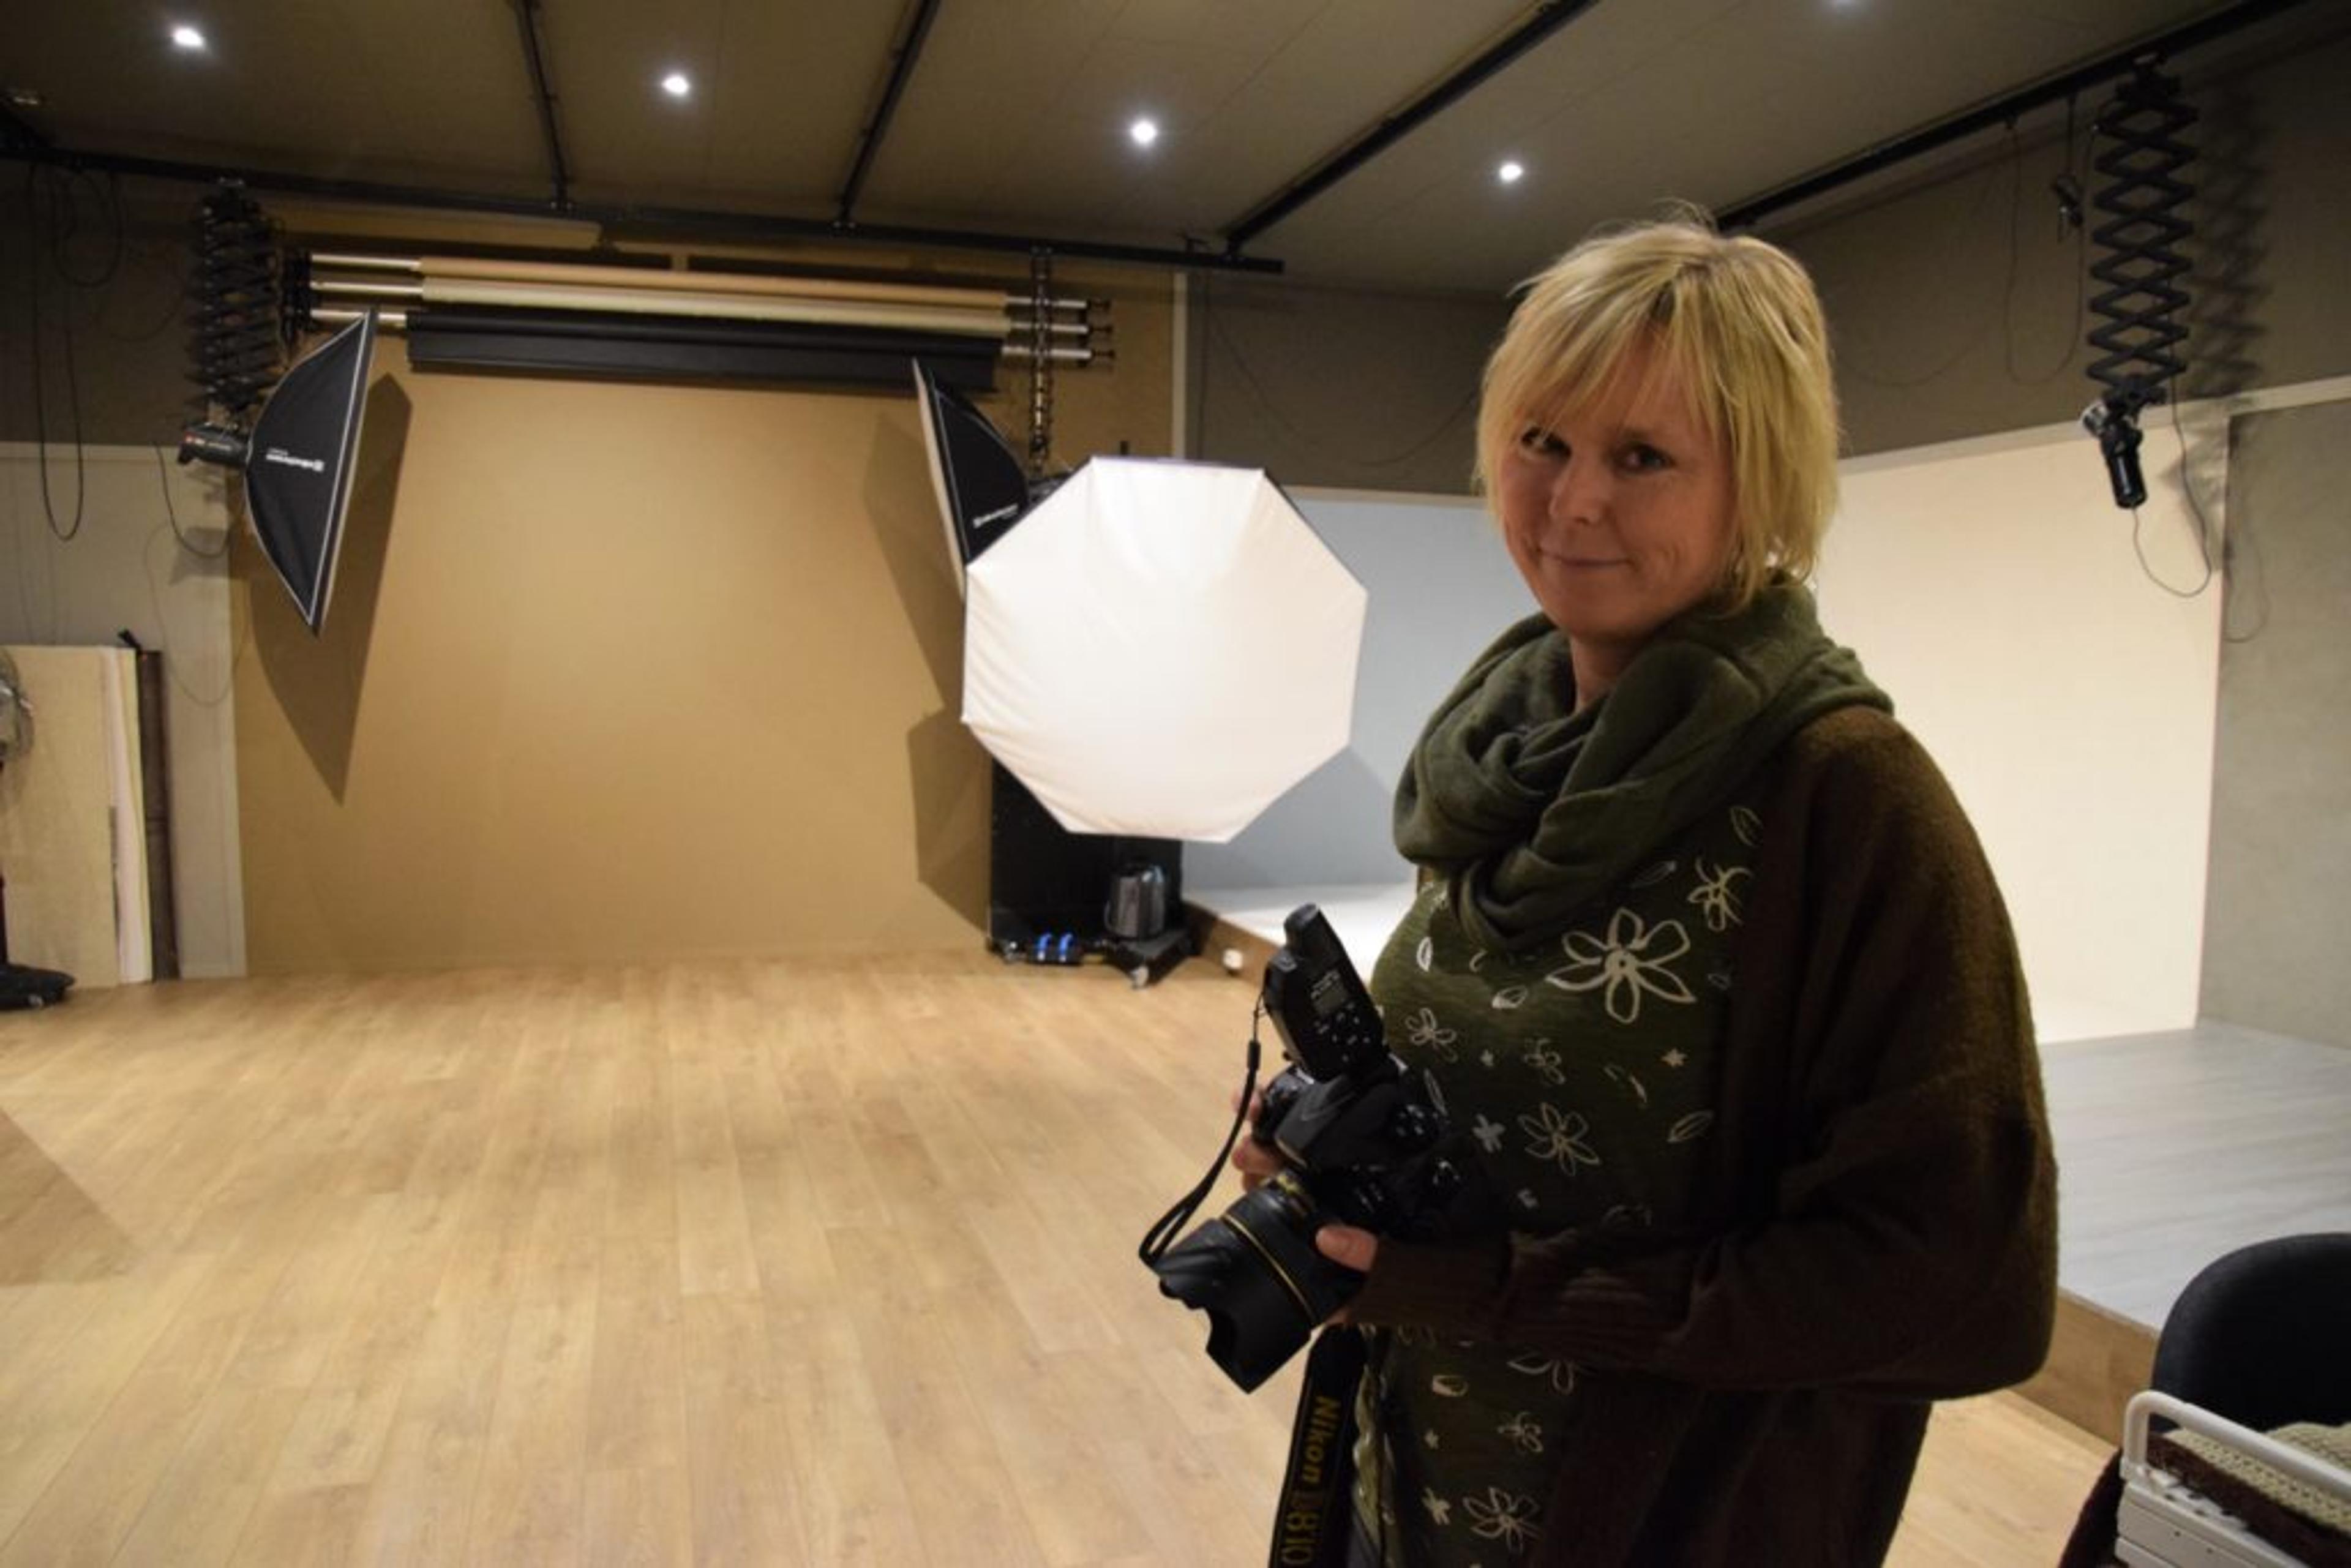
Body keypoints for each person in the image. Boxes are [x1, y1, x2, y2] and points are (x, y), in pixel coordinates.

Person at [1232, 213, 2057, 1566]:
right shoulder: (1503, 756)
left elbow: (1957, 1282)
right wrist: (1347, 1162)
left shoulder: (1847, 798)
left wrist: (1499, 1292)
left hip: (1668, 1521)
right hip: (1409, 1483)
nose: (1572, 502)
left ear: (1760, 486)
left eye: (1643, 457)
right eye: (1542, 441)